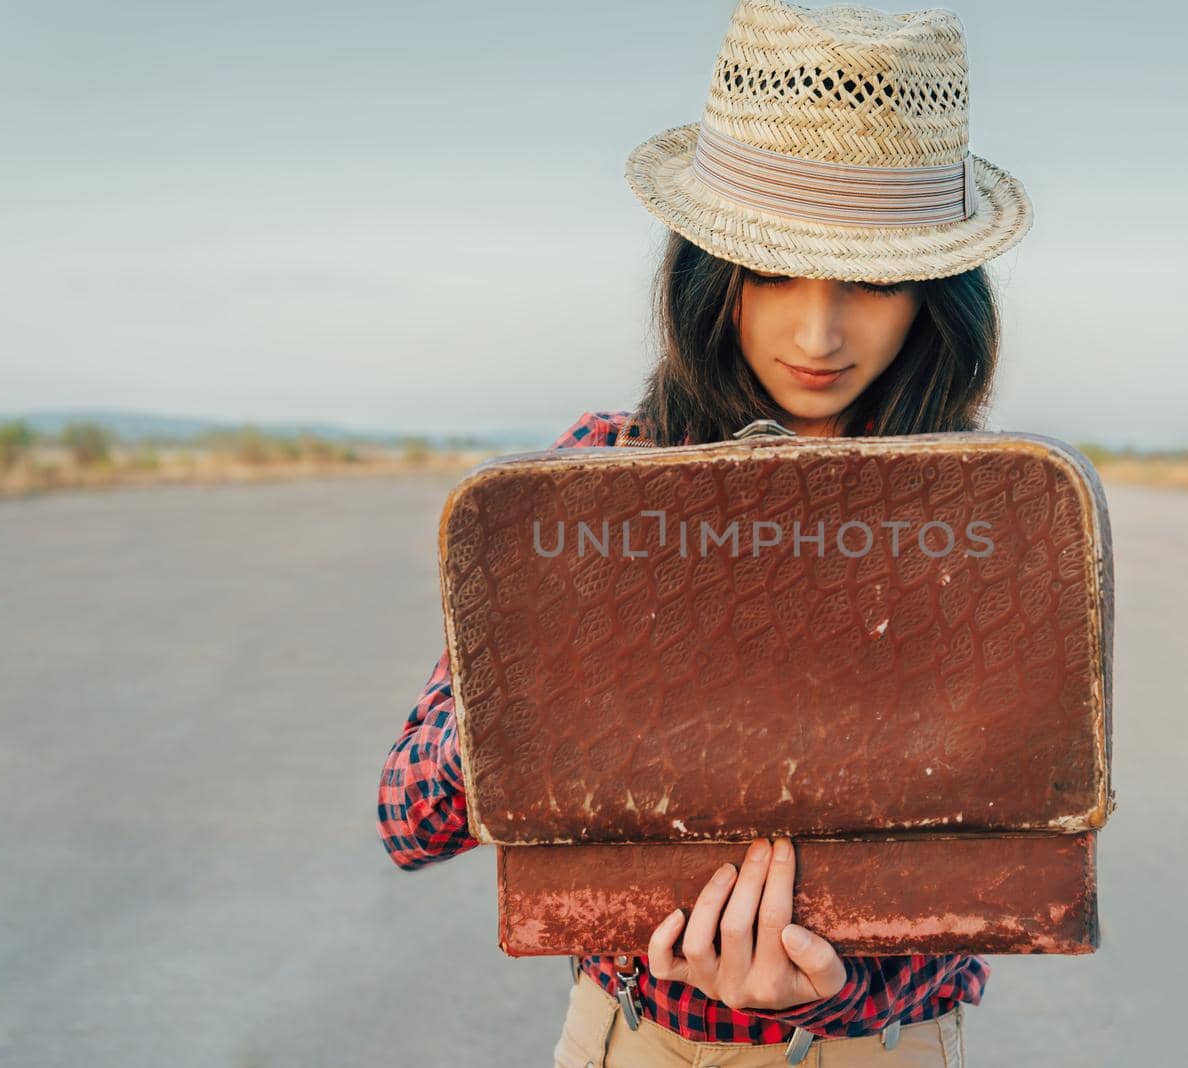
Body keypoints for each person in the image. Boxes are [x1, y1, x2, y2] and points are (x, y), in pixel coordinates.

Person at [377, 0, 1033, 1063]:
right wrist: (552, 676)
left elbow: (1004, 866)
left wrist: (827, 995)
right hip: (633, 1041)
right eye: (772, 270)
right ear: (704, 272)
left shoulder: (986, 523)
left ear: (936, 296)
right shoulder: (597, 481)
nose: (817, 332)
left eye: (871, 281)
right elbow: (409, 820)